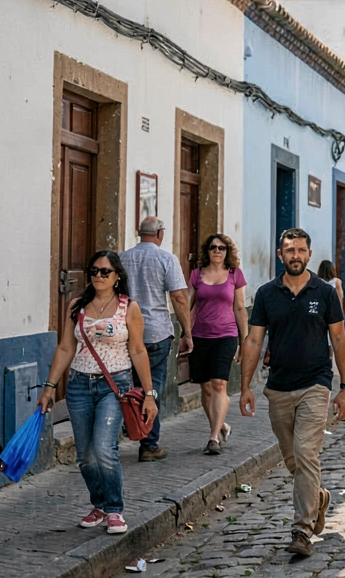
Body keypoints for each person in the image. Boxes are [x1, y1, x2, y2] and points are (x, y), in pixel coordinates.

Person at [239, 228, 345, 558]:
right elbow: (253, 340)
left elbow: (340, 339)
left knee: (306, 453)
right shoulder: (266, 294)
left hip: (316, 384)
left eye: (301, 250)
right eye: (289, 250)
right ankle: (318, 498)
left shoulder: (324, 292)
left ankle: (301, 530)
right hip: (278, 387)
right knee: (293, 459)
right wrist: (246, 386)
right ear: (280, 255)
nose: (295, 255)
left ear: (309, 254)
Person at [38, 251, 158, 535]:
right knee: (85, 455)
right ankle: (100, 504)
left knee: (104, 448)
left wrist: (149, 394)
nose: (98, 276)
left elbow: (138, 350)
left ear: (117, 276)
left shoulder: (128, 307)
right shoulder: (77, 305)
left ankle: (115, 509)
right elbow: (66, 348)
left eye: (105, 271)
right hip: (79, 385)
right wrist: (50, 387)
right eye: (94, 271)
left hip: (115, 386)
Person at [121, 217, 193, 462]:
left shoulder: (122, 258)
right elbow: (179, 299)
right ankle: (149, 443)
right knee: (153, 389)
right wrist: (187, 331)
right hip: (156, 333)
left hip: (127, 332)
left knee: (128, 386)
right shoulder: (166, 259)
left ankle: (125, 428)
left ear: (139, 232)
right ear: (160, 233)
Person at [188, 233, 247, 455]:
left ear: (227, 251)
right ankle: (220, 425)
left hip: (226, 335)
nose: (217, 251)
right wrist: (186, 334)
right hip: (200, 335)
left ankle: (213, 438)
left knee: (219, 384)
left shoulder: (235, 275)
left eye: (222, 248)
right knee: (206, 387)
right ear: (207, 250)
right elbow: (187, 305)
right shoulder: (196, 275)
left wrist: (245, 339)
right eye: (213, 247)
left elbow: (240, 308)